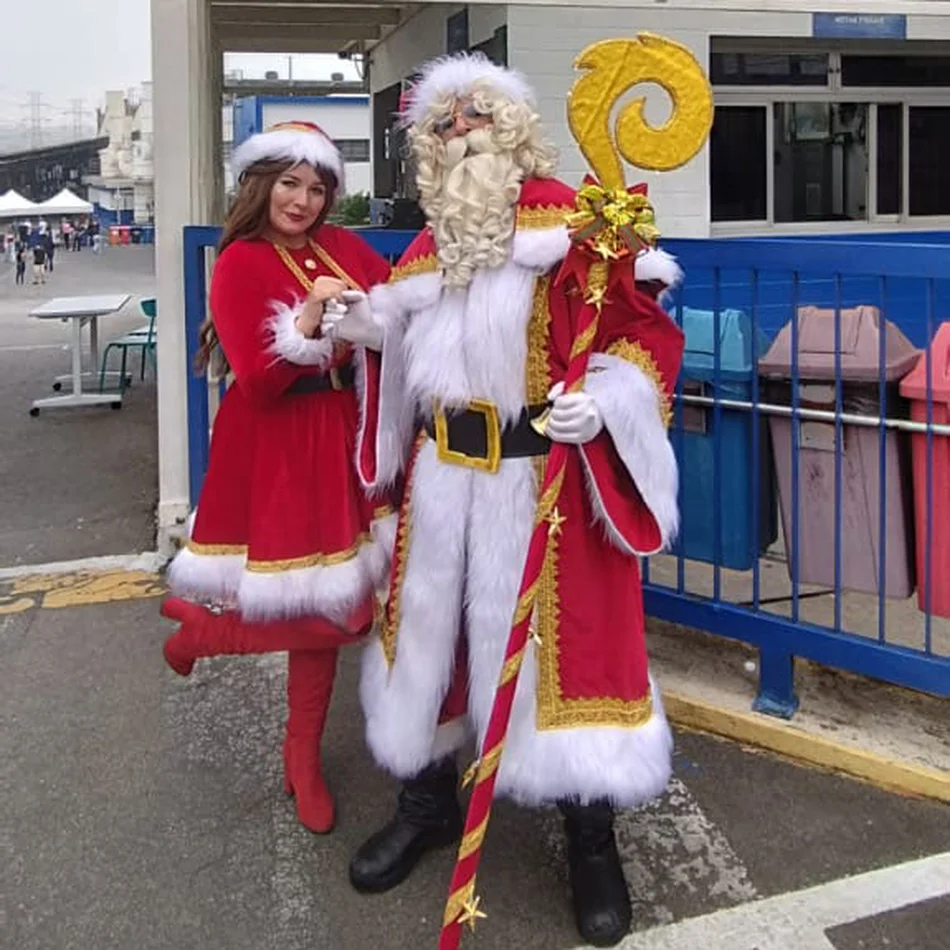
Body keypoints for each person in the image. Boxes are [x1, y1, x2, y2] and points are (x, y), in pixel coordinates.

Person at [317, 53, 685, 947]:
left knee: (572, 653)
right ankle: (426, 803)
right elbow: (400, 336)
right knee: (431, 642)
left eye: (476, 115)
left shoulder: (579, 230)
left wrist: (608, 402)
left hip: (542, 484)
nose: (460, 133)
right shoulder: (431, 243)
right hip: (444, 480)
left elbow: (643, 342)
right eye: (443, 123)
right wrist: (364, 326)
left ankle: (590, 834)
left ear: (513, 129)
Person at [159, 121, 397, 834]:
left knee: (338, 607)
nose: (303, 200)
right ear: (260, 185)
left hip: (339, 433)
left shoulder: (339, 245)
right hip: (277, 446)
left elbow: (397, 296)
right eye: (290, 184)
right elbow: (260, 381)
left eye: (317, 188)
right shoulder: (240, 262)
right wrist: (311, 318)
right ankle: (205, 643)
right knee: (317, 606)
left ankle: (298, 752)